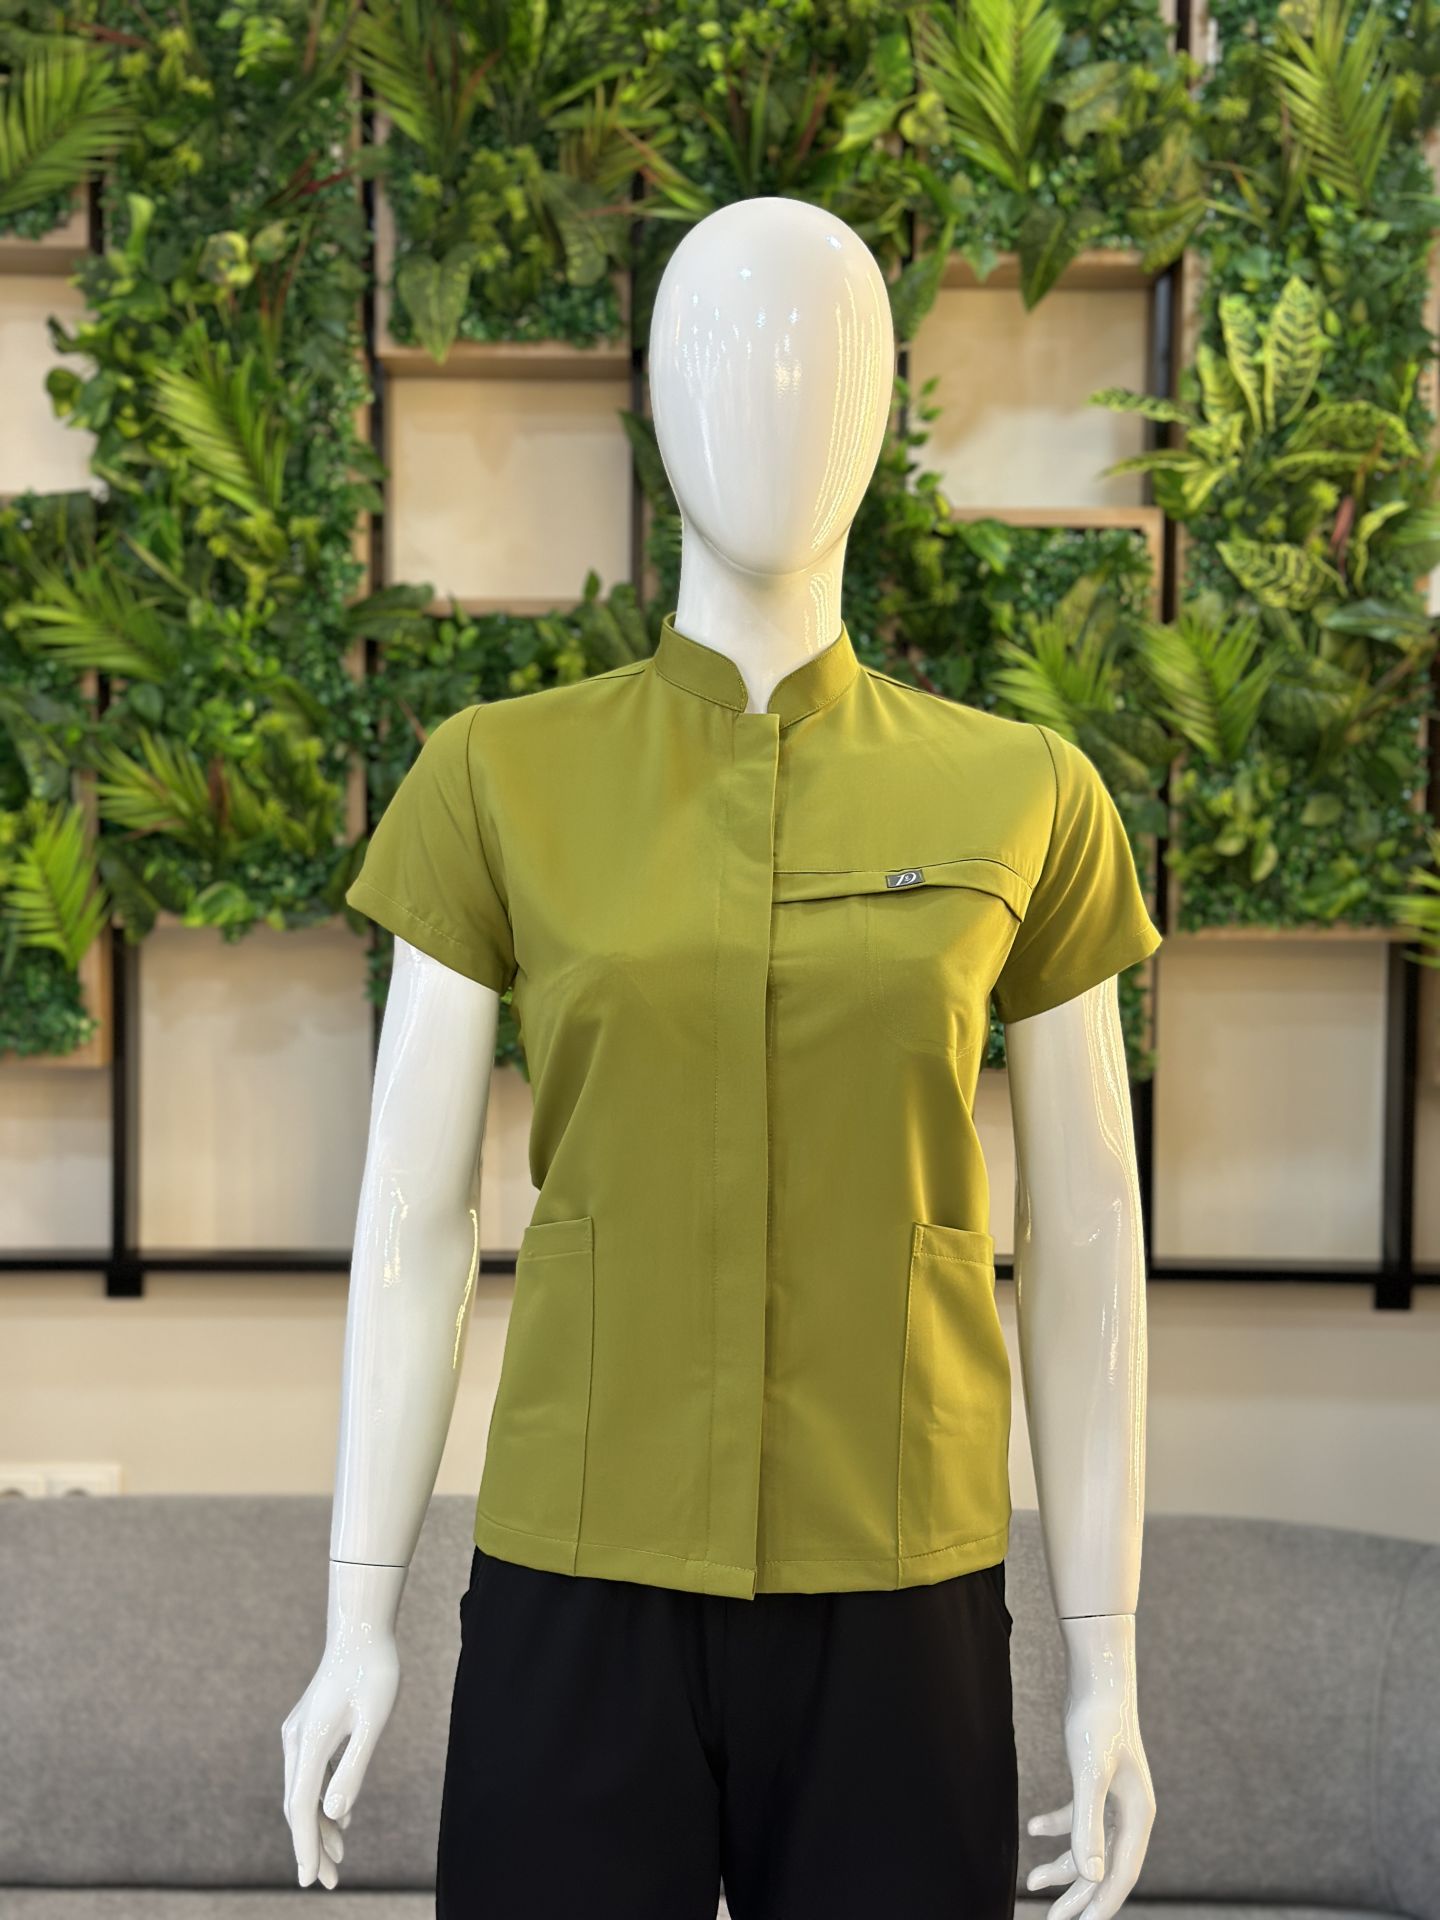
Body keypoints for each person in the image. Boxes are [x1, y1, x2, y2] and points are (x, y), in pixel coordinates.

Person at [282, 195, 1162, 1920]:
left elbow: (1090, 1242)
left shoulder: (1024, 794)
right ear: (658, 406)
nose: (776, 406)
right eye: (723, 359)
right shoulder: (498, 776)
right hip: (577, 1574)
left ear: (885, 412)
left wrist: (1104, 1654)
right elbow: (411, 1226)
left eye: (829, 368)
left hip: (897, 1584)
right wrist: (354, 1616)